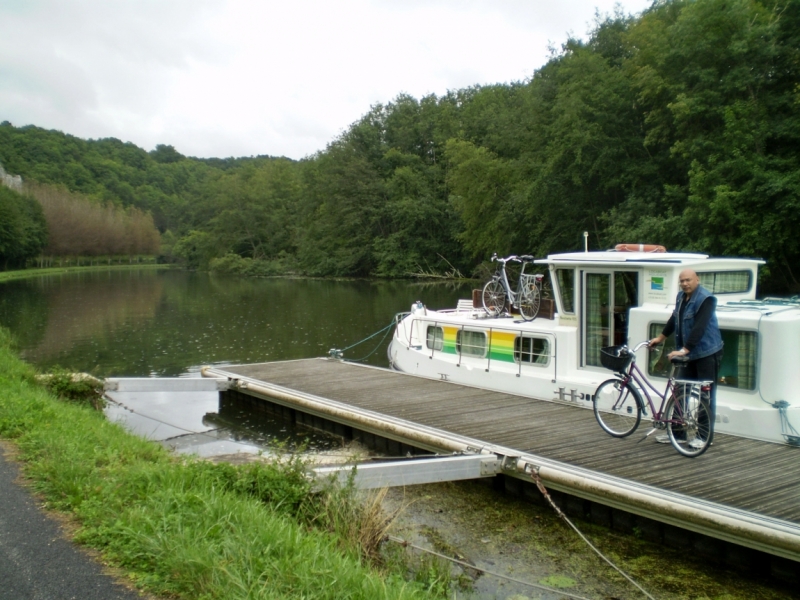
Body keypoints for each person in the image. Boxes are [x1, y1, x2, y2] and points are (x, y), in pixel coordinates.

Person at [648, 269, 723, 448]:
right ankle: (678, 434)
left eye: (688, 280)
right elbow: (675, 319)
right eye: (682, 281)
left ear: (697, 279)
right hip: (688, 354)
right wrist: (660, 338)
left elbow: (700, 326)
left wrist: (685, 349)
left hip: (707, 353)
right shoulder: (681, 297)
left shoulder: (706, 299)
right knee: (680, 392)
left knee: (705, 395)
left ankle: (704, 437)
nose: (685, 283)